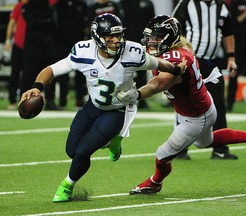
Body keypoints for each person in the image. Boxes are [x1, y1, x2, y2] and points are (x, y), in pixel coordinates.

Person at [19, 13, 186, 202]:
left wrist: (176, 69)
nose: (116, 41)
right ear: (98, 37)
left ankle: (67, 186)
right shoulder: (83, 52)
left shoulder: (133, 52)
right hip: (93, 106)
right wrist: (36, 87)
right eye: (110, 36)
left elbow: (157, 63)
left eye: (118, 35)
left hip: (117, 110)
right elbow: (51, 70)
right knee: (72, 151)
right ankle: (114, 141)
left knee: (83, 152)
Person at [116, 15, 246, 194]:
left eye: (156, 37)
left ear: (168, 37)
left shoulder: (177, 58)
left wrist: (137, 94)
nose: (151, 41)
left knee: (162, 155)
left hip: (196, 117)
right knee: (206, 142)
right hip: (201, 107)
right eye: (150, 37)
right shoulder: (177, 48)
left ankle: (155, 182)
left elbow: (159, 83)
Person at [172, 0, 238, 160]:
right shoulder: (186, 3)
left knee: (219, 106)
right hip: (190, 62)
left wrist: (231, 57)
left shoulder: (221, 6)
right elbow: (172, 30)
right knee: (185, 105)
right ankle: (180, 149)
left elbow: (228, 32)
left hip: (211, 63)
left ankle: (220, 149)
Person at [21, 0, 59, 110]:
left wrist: (41, 22)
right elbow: (31, 22)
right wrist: (45, 21)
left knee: (50, 72)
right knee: (28, 72)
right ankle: (24, 99)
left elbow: (54, 24)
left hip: (47, 44)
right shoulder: (26, 7)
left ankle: (50, 100)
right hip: (32, 45)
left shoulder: (49, 6)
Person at [120, 0, 155, 109]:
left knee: (142, 71)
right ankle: (122, 98)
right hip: (126, 43)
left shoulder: (148, 3)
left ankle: (142, 100)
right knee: (124, 71)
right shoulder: (124, 3)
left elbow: (152, 24)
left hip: (142, 43)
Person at [54, 0, 89, 109]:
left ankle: (79, 99)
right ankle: (62, 101)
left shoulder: (82, 5)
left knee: (81, 73)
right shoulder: (58, 5)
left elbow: (87, 24)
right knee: (62, 74)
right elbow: (55, 25)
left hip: (79, 44)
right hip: (62, 44)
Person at [4, 0, 28, 110]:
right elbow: (12, 22)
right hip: (18, 43)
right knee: (15, 72)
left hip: (30, 44)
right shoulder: (19, 6)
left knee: (27, 74)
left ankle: (24, 99)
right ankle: (12, 99)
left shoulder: (36, 5)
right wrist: (8, 40)